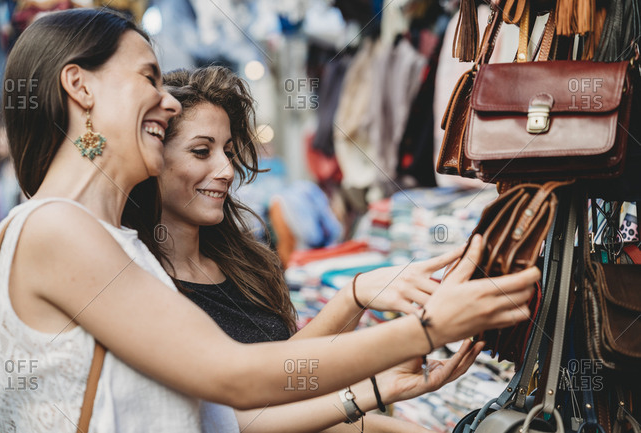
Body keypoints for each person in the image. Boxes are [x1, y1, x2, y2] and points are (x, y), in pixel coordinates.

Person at [0, 8, 540, 433]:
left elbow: (226, 415)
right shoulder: (54, 229)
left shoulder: (114, 245)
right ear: (79, 86)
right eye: (149, 78)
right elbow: (234, 374)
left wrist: (374, 383)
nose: (168, 102)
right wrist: (425, 329)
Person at [124, 66, 538, 432]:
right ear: (153, 157)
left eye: (229, 152)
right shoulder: (142, 284)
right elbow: (235, 414)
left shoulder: (243, 262)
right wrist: (388, 370)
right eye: (202, 151)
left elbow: (283, 375)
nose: (227, 170)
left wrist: (355, 296)